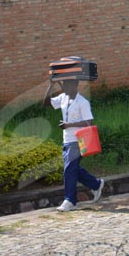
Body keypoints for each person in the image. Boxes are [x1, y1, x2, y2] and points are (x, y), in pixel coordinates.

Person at [43, 79, 104, 212]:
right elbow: (47, 103)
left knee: (69, 170)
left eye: (67, 85)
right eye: (63, 85)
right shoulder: (63, 98)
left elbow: (89, 122)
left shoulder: (82, 102)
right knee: (73, 168)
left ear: (75, 85)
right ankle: (96, 184)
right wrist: (51, 85)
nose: (64, 87)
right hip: (66, 139)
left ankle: (70, 200)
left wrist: (68, 125)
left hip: (78, 140)